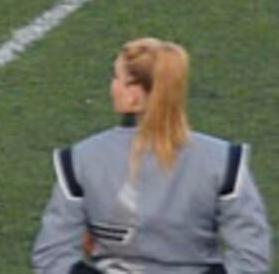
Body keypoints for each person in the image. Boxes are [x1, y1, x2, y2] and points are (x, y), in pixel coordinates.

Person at [37, 39, 270, 274]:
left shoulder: (81, 159)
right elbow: (251, 260)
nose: (112, 86)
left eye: (116, 78)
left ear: (134, 95)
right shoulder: (224, 160)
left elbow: (52, 257)